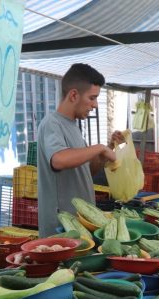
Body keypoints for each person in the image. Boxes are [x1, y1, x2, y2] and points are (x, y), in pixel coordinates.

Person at [36, 63, 120, 236]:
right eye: (92, 98)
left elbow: (86, 171)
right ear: (74, 95)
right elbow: (59, 160)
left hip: (80, 225)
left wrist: (108, 147)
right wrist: (99, 148)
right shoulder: (52, 123)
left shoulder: (73, 126)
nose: (95, 105)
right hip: (61, 229)